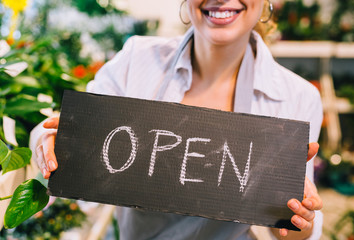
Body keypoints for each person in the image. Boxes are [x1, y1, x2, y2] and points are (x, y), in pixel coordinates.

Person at [31, 0, 323, 239]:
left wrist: (301, 219)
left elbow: (295, 227)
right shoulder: (136, 60)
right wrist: (48, 144)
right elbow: (59, 135)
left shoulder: (298, 97)